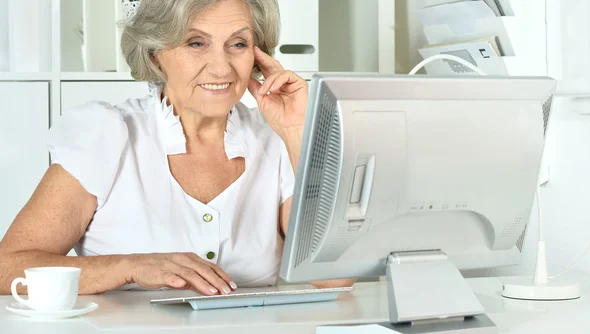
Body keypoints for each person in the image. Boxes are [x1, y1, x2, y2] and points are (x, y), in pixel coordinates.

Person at [0, 0, 353, 295]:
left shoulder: (275, 142)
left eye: (239, 44)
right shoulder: (108, 135)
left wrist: (297, 131)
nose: (221, 66)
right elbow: (8, 268)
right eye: (195, 43)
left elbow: (334, 275)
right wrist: (131, 266)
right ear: (155, 56)